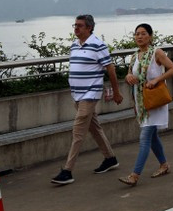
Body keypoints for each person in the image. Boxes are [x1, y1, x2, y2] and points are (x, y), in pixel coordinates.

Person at [51, 15, 123, 185]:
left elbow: (110, 70)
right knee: (95, 128)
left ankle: (67, 170)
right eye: (75, 25)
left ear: (89, 28)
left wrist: (116, 92)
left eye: (80, 26)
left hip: (90, 95)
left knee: (78, 132)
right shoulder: (74, 45)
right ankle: (110, 158)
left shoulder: (98, 45)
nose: (76, 28)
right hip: (77, 95)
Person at [119, 23, 173, 186]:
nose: (139, 36)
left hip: (154, 101)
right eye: (137, 34)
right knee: (152, 138)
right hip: (141, 102)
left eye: (143, 33)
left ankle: (134, 175)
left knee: (145, 137)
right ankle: (164, 165)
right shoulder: (134, 56)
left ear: (150, 36)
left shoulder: (156, 53)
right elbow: (131, 74)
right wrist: (128, 76)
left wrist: (156, 79)